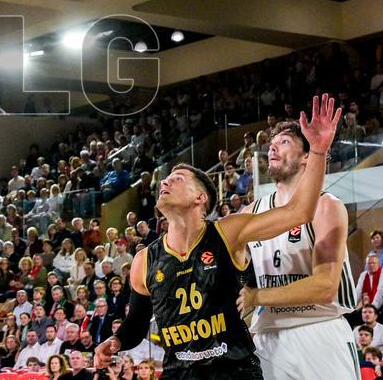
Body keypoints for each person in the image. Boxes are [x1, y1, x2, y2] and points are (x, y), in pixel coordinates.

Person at [95, 95, 341, 379]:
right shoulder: (144, 260)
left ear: (200, 198)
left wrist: (318, 151)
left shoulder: (227, 232)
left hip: (234, 371)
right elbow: (137, 323)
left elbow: (300, 211)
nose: (166, 181)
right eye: (166, 179)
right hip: (179, 374)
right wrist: (117, 341)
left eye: (177, 179)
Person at [231, 99, 359, 380]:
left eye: (285, 142)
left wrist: (256, 296)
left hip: (319, 330)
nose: (272, 147)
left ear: (306, 157)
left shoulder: (326, 206)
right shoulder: (251, 212)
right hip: (268, 337)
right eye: (272, 143)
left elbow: (325, 286)